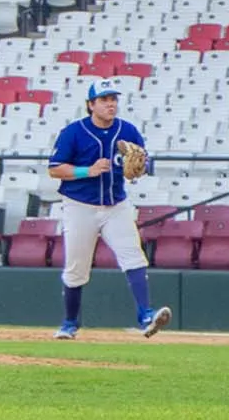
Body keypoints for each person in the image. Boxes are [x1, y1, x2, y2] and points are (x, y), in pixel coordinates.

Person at [45, 80, 170, 340]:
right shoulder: (74, 132)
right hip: (80, 206)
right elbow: (55, 168)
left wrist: (140, 168)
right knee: (76, 268)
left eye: (113, 98)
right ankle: (70, 323)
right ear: (91, 105)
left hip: (116, 205)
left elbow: (143, 164)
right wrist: (86, 171)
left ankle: (145, 314)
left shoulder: (128, 130)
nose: (110, 104)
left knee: (133, 256)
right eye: (104, 99)